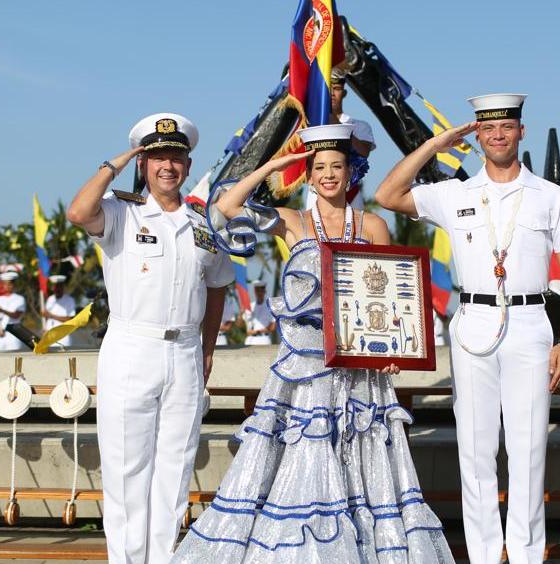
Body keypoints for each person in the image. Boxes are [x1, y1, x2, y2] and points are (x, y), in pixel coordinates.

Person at [174, 123, 452, 562]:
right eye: (318, 167)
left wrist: (396, 350)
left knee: (362, 462)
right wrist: (273, 165)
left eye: (336, 166)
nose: (328, 175)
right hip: (304, 371)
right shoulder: (291, 221)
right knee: (306, 457)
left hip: (362, 370)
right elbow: (224, 209)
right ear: (307, 175)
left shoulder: (375, 224)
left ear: (351, 171)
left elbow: (392, 297)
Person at [376, 94, 560, 564]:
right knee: (475, 452)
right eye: (487, 128)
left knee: (528, 448)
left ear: (521, 132)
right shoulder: (455, 193)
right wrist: (437, 143)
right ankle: (486, 554)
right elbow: (386, 195)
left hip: (532, 322)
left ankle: (528, 555)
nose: (497, 135)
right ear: (477, 136)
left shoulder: (552, 196)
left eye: (506, 127)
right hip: (473, 321)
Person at [67, 112, 233, 563]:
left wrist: (208, 349)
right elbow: (78, 212)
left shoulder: (203, 224)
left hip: (183, 353)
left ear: (187, 164)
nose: (167, 166)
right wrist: (114, 164)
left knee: (174, 472)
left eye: (176, 157)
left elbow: (217, 285)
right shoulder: (122, 213)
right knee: (126, 472)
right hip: (131, 349)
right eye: (157, 156)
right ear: (143, 163)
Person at [0, 271, 26, 352]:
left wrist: (2, 311)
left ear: (14, 285)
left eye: (10, 284)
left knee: (14, 360)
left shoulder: (19, 299)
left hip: (13, 335)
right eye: (5, 284)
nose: (7, 286)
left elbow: (16, 315)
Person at [40, 274, 76, 348]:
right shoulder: (50, 299)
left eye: (59, 287)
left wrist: (51, 315)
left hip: (63, 338)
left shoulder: (69, 300)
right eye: (55, 287)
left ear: (63, 287)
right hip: (49, 338)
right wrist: (45, 329)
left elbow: (69, 319)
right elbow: (47, 317)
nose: (57, 289)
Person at [242, 280, 275, 345]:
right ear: (255, 291)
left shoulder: (270, 307)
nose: (259, 293)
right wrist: (241, 313)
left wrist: (258, 331)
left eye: (261, 291)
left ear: (264, 291)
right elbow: (240, 324)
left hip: (264, 339)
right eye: (257, 291)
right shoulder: (250, 306)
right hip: (250, 340)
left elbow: (273, 327)